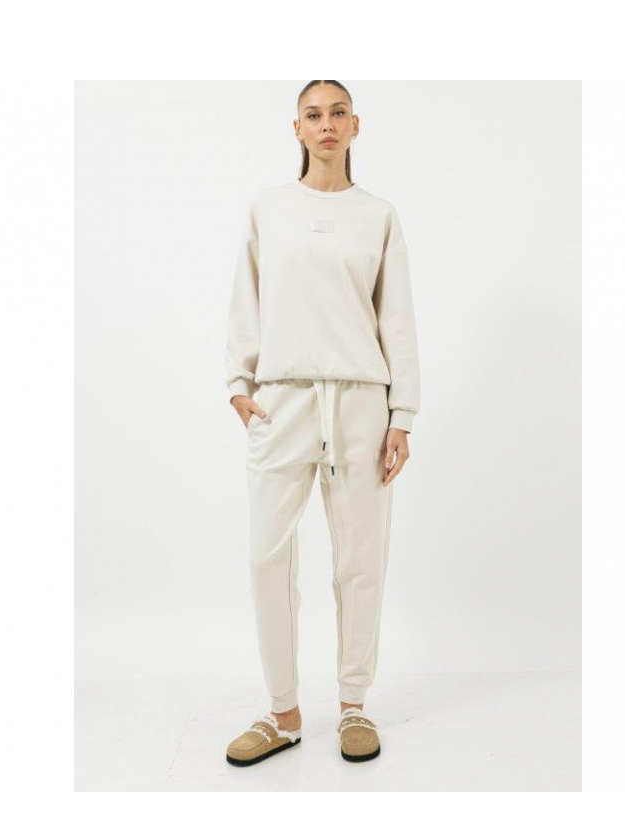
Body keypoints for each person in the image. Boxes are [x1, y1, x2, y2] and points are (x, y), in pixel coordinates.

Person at [223, 80, 421, 766]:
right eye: (314, 114)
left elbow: (397, 316)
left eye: (339, 113)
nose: (327, 124)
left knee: (360, 559)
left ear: (356, 125)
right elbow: (246, 296)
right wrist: (239, 383)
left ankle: (355, 704)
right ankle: (283, 712)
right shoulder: (268, 209)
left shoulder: (378, 215)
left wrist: (402, 414)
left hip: (362, 401)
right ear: (297, 128)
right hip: (281, 399)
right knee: (265, 556)